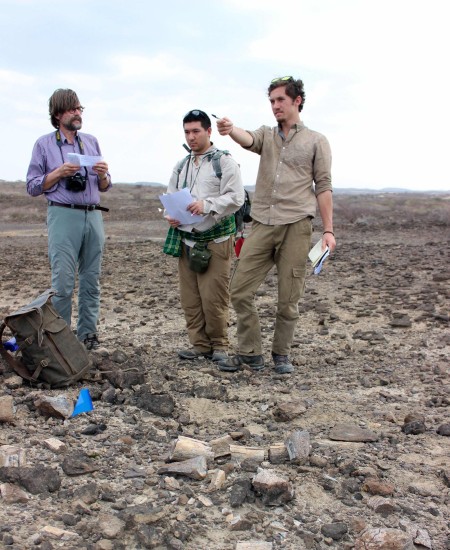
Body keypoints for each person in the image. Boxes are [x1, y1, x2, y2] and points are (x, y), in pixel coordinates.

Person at [216, 76, 336, 374]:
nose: (275, 106)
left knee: (289, 297)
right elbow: (248, 139)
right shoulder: (267, 135)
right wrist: (230, 130)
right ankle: (250, 355)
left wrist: (329, 230)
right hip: (262, 224)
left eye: (280, 100)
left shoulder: (316, 141)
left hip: (296, 225)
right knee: (240, 289)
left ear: (297, 101)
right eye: (271, 101)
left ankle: (281, 355)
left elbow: (323, 186)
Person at [26, 88, 112, 350]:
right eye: (72, 109)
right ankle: (61, 339)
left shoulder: (91, 141)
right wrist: (58, 173)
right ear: (58, 113)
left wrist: (103, 174)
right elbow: (32, 186)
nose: (78, 113)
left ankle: (88, 335)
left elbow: (106, 186)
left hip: (93, 214)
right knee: (62, 281)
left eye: (79, 109)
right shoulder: (44, 144)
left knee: (91, 279)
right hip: (63, 215)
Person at [163, 109, 245, 362]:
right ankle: (199, 345)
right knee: (191, 298)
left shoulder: (224, 162)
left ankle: (219, 346)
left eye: (196, 131)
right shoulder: (181, 165)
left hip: (216, 241)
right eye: (187, 132)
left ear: (209, 131)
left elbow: (236, 197)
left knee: (214, 298)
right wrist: (171, 215)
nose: (191, 137)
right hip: (187, 240)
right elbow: (171, 195)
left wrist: (206, 205)